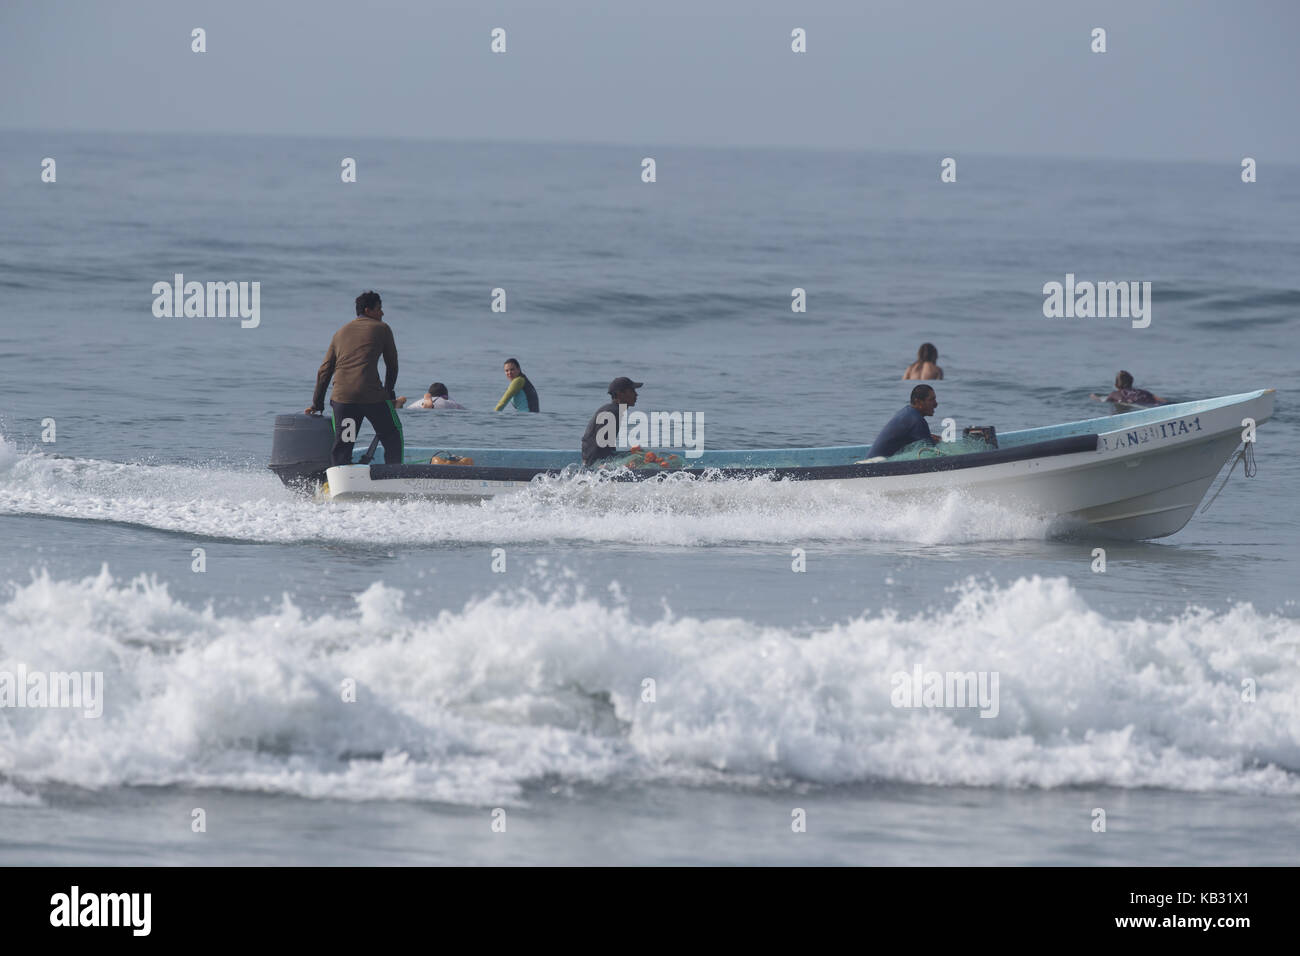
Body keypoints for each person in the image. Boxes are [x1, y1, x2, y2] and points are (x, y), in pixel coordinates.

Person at [306, 290, 404, 467]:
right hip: (372, 397)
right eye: (379, 309)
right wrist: (389, 393)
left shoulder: (340, 332)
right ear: (368, 310)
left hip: (343, 399)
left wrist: (317, 403)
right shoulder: (382, 328)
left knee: (344, 443)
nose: (382, 313)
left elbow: (324, 371)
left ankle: (340, 484)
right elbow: (392, 365)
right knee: (392, 435)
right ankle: (394, 477)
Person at [866, 385, 941, 459]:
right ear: (918, 402)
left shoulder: (908, 412)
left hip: (872, 461)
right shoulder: (916, 420)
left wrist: (929, 438)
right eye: (931, 400)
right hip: (878, 465)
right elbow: (932, 452)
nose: (936, 404)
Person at [582, 376, 642, 465]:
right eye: (632, 391)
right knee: (640, 457)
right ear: (620, 394)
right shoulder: (613, 412)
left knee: (637, 454)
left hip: (594, 460)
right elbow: (601, 449)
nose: (636, 394)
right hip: (598, 463)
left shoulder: (613, 410)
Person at [1094, 370, 1165, 406]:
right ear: (1132, 382)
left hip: (1132, 404)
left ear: (1116, 385)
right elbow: (1162, 401)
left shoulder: (1114, 394)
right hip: (1149, 403)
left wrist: (1094, 397)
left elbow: (1103, 401)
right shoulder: (1144, 392)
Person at [400, 383, 466, 409]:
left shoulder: (420, 401)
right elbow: (462, 409)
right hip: (435, 407)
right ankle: (429, 406)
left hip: (415, 407)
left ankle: (399, 404)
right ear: (445, 396)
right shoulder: (448, 401)